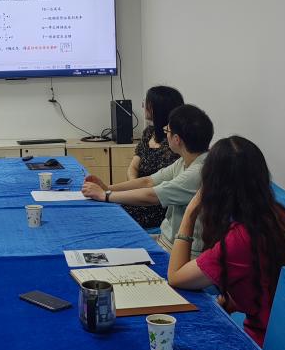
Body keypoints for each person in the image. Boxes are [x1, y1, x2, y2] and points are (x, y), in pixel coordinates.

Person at [166, 136, 285, 347]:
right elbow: (264, 277)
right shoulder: (278, 215)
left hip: (265, 345)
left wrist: (190, 213)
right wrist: (235, 299)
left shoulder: (240, 239)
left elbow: (175, 276)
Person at [82, 104, 213, 254]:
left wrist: (105, 196)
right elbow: (148, 181)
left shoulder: (198, 172)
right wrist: (107, 188)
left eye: (167, 131)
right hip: (166, 240)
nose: (165, 134)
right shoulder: (186, 161)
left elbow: (152, 196)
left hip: (183, 252)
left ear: (177, 139)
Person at [121, 85, 184, 229]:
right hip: (139, 193)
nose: (144, 106)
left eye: (147, 103)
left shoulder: (175, 143)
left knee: (114, 212)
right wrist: (134, 186)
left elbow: (152, 184)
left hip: (157, 203)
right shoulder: (149, 132)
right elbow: (133, 166)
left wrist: (110, 191)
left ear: (159, 108)